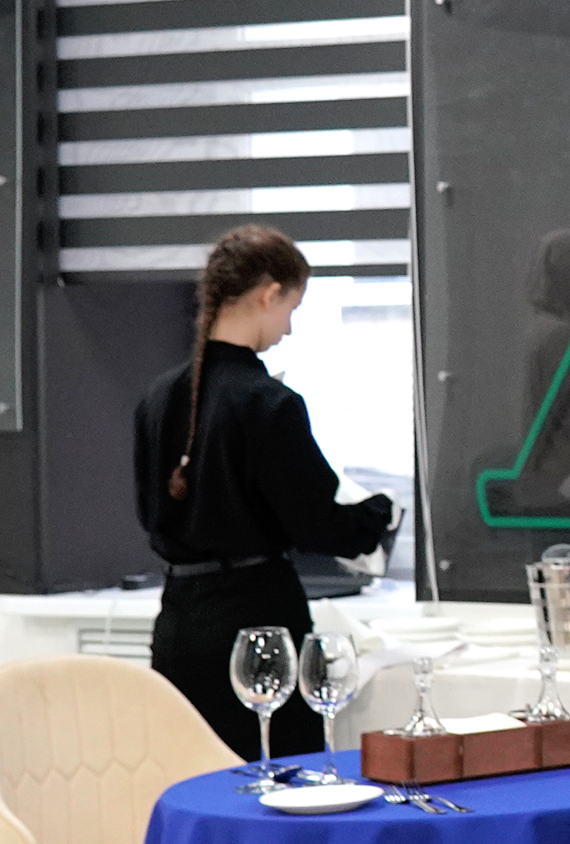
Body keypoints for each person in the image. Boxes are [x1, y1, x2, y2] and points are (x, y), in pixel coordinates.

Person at [135, 226, 394, 760]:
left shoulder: (156, 398)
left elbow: (149, 513)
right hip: (258, 628)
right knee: (277, 777)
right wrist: (376, 514)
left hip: (178, 626)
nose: (289, 328)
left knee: (192, 775)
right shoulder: (269, 404)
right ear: (269, 295)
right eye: (291, 309)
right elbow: (317, 524)